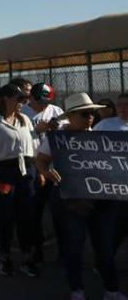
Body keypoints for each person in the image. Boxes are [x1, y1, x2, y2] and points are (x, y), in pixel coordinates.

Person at [35, 93, 127, 300]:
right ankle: (77, 290)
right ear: (70, 115)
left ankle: (111, 290)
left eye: (92, 113)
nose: (90, 118)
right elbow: (40, 160)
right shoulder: (58, 138)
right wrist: (46, 172)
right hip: (70, 201)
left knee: (104, 248)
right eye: (84, 114)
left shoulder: (100, 136)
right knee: (74, 247)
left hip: (103, 200)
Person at [0, 84, 41, 278]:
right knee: (7, 214)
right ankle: (5, 256)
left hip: (27, 172)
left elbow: (33, 145)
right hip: (5, 173)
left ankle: (26, 257)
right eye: (19, 99)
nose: (22, 103)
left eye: (24, 100)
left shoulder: (24, 120)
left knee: (26, 215)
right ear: (6, 99)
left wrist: (39, 168)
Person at [21, 82, 65, 264]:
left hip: (55, 167)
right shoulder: (22, 113)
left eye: (46, 101)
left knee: (60, 213)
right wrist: (34, 131)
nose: (43, 105)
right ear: (30, 98)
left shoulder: (55, 111)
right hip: (33, 165)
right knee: (35, 211)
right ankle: (36, 249)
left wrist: (57, 128)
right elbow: (17, 139)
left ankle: (64, 251)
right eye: (39, 102)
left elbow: (68, 132)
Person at [93, 93, 128, 261]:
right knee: (117, 226)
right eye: (120, 104)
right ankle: (104, 261)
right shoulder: (105, 125)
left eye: (126, 104)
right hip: (113, 185)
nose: (123, 107)